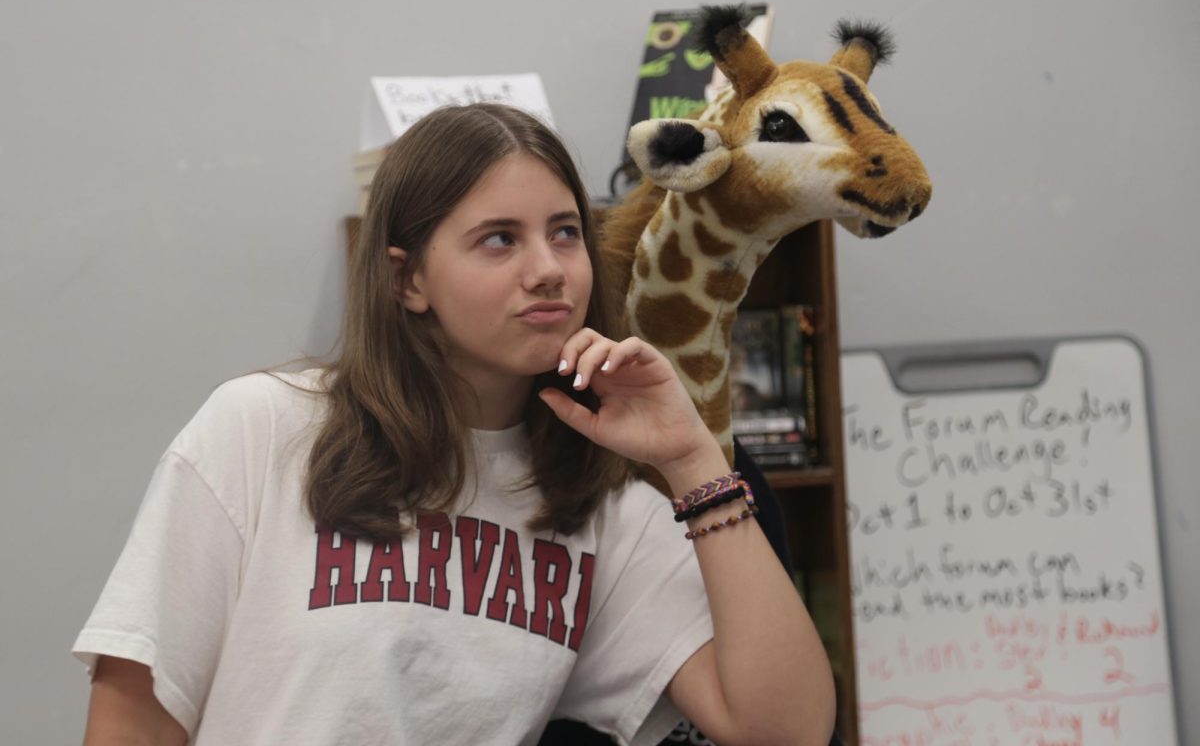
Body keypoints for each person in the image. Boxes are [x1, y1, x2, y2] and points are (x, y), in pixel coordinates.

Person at [74, 103, 835, 745]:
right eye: (499, 239)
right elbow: (133, 717)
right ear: (408, 279)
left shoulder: (606, 506)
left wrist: (693, 459)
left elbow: (784, 727)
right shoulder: (263, 428)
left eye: (565, 232)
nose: (549, 269)